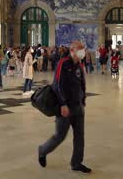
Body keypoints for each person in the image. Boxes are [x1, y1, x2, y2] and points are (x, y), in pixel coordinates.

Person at [38, 41, 91, 174]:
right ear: (72, 50)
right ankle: (43, 150)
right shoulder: (63, 63)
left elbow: (82, 83)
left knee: (80, 136)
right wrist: (62, 104)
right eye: (80, 49)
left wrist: (83, 99)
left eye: (83, 49)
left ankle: (76, 163)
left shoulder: (79, 65)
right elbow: (57, 85)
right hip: (65, 107)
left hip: (78, 106)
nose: (82, 51)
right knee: (60, 136)